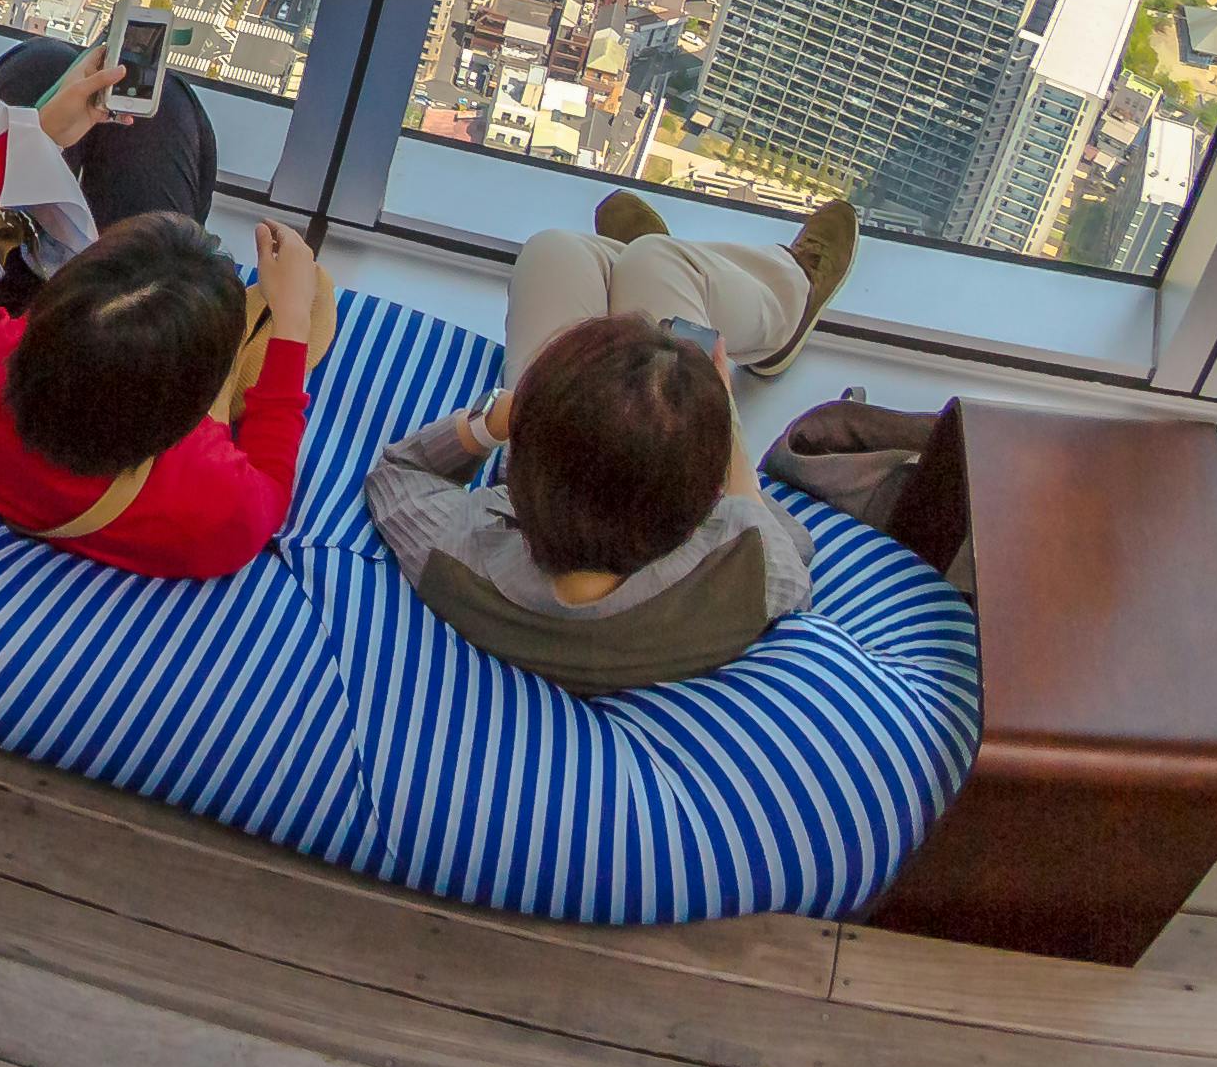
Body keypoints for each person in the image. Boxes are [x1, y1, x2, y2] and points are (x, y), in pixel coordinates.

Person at [0, 39, 334, 578]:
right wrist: (292, 321)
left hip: (22, 374)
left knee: (42, 68)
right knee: (164, 106)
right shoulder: (216, 508)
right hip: (123, 405)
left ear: (50, 304)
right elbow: (270, 491)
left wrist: (33, 137)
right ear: (191, 414)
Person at [357, 187, 858, 693]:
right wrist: (726, 429)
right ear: (702, 507)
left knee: (554, 252)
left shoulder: (460, 562)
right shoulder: (750, 576)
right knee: (661, 264)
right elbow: (789, 548)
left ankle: (638, 293)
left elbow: (398, 474)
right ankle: (785, 297)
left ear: (522, 466)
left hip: (574, 462)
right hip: (598, 466)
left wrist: (491, 421)